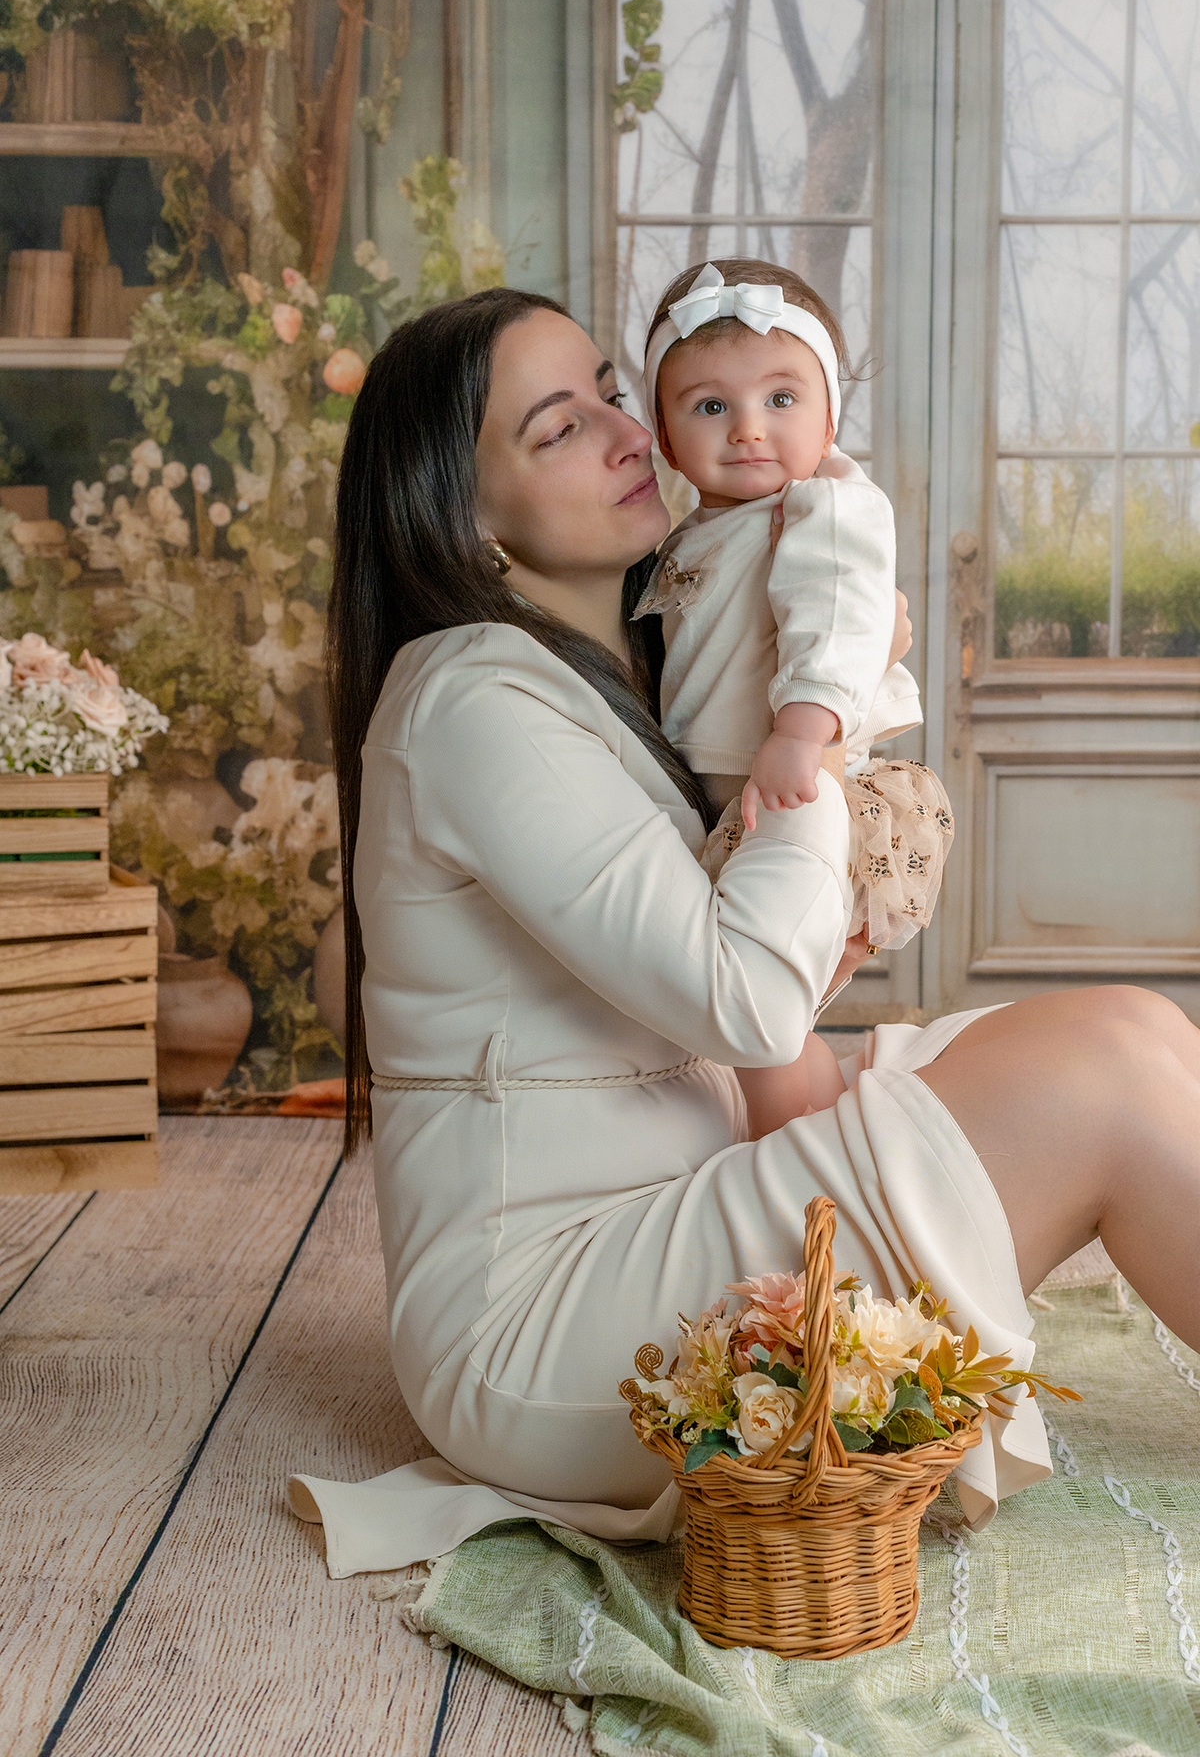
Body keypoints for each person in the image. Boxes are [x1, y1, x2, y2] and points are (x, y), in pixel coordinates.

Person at [289, 285, 1200, 1581]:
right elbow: (752, 999)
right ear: (465, 518)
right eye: (558, 429)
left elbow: (742, 980)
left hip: (673, 1175)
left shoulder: (594, 671)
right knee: (1104, 1077)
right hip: (544, 1322)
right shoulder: (470, 700)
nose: (623, 430)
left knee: (1136, 1025)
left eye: (610, 388)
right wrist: (819, 720)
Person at [635, 258, 954, 1135]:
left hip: (791, 782)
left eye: (782, 400)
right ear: (664, 436)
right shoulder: (692, 532)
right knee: (766, 1029)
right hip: (730, 787)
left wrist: (800, 729)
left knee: (760, 1035)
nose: (747, 430)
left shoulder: (822, 510)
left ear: (828, 418)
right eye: (710, 407)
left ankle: (787, 1160)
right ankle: (830, 1140)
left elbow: (840, 618)